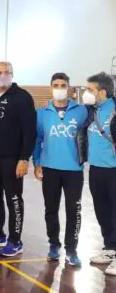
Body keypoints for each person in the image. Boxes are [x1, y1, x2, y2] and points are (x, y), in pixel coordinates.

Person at [0, 62, 36, 257]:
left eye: (6, 72)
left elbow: (30, 131)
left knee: (14, 199)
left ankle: (15, 240)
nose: (3, 75)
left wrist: (24, 158)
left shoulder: (23, 97)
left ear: (12, 74)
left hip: (12, 159)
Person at [33, 73, 87, 266]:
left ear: (69, 87)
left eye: (63, 85)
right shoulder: (42, 113)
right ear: (50, 88)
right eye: (56, 85)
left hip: (74, 170)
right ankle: (54, 245)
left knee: (74, 210)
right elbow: (37, 139)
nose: (59, 88)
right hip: (50, 169)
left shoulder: (81, 111)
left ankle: (71, 249)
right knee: (51, 209)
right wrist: (36, 163)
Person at [82, 72, 116, 273]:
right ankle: (110, 247)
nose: (86, 93)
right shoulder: (91, 110)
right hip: (96, 169)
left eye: (90, 90)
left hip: (114, 170)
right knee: (102, 211)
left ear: (102, 92)